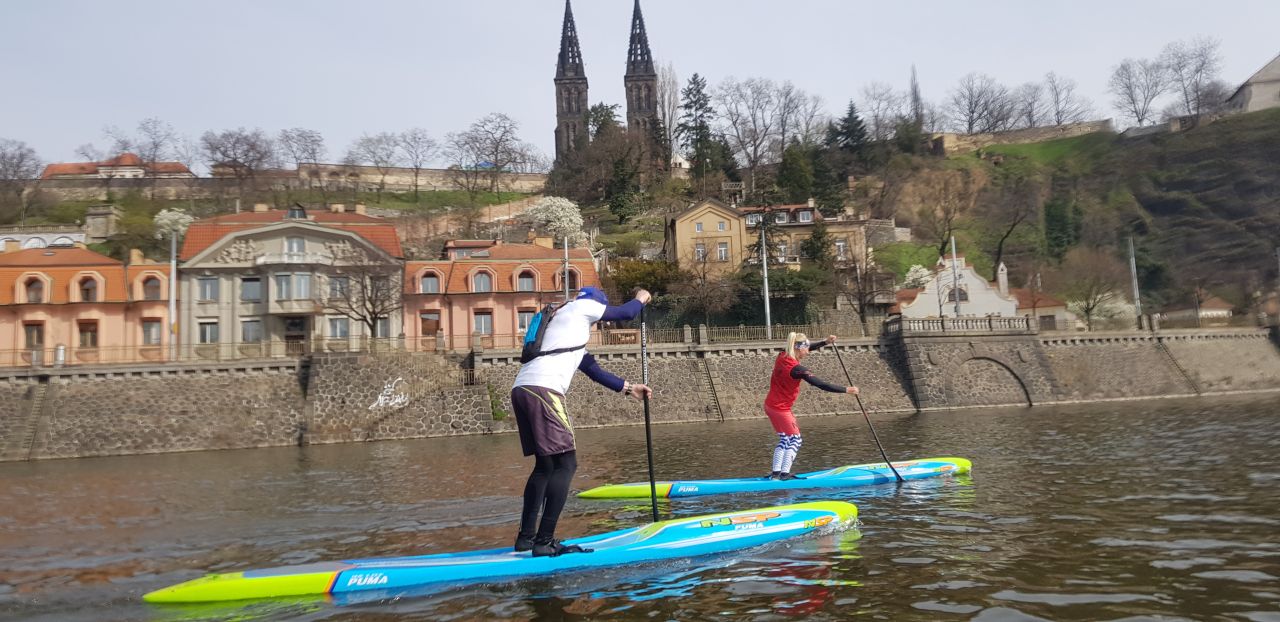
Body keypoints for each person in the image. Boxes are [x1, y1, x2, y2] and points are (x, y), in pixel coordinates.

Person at [511, 285, 653, 557]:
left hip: (522, 389)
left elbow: (592, 370)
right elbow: (625, 312)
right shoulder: (581, 306)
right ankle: (545, 542)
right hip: (544, 390)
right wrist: (641, 298)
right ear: (596, 305)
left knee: (545, 466)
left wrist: (628, 387)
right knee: (567, 463)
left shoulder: (562, 324)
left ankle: (526, 539)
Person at [763, 332, 858, 480]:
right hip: (781, 409)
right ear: (798, 348)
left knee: (785, 439)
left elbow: (807, 347)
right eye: (806, 348)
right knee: (795, 439)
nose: (808, 352)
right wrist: (847, 390)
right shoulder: (797, 369)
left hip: (770, 405)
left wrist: (825, 342)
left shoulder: (782, 355)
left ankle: (776, 473)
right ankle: (784, 474)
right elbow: (822, 385)